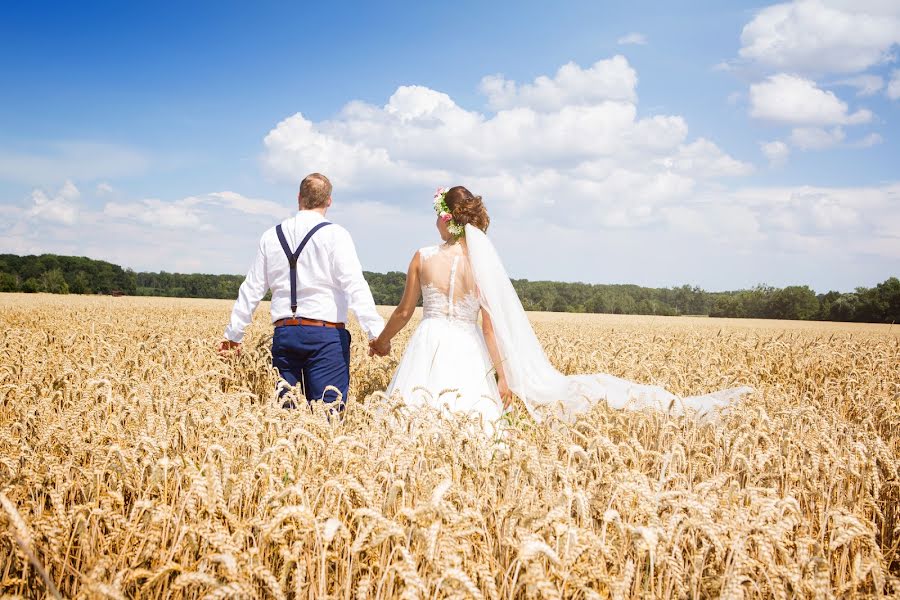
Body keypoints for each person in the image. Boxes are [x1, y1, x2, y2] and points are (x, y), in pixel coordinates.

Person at [369, 186, 751, 431]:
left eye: (438, 212)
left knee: (409, 420)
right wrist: (501, 379)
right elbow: (489, 327)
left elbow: (403, 312)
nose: (435, 219)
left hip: (430, 341)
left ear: (447, 216)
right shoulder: (479, 264)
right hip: (467, 347)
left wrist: (382, 342)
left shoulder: (422, 256)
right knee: (476, 425)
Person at [219, 173, 385, 410]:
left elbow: (252, 288)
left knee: (287, 416)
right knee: (328, 415)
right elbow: (354, 285)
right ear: (329, 201)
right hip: (326, 338)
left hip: (285, 335)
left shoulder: (271, 236)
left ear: (298, 197)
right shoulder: (336, 235)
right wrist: (375, 333)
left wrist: (233, 336)